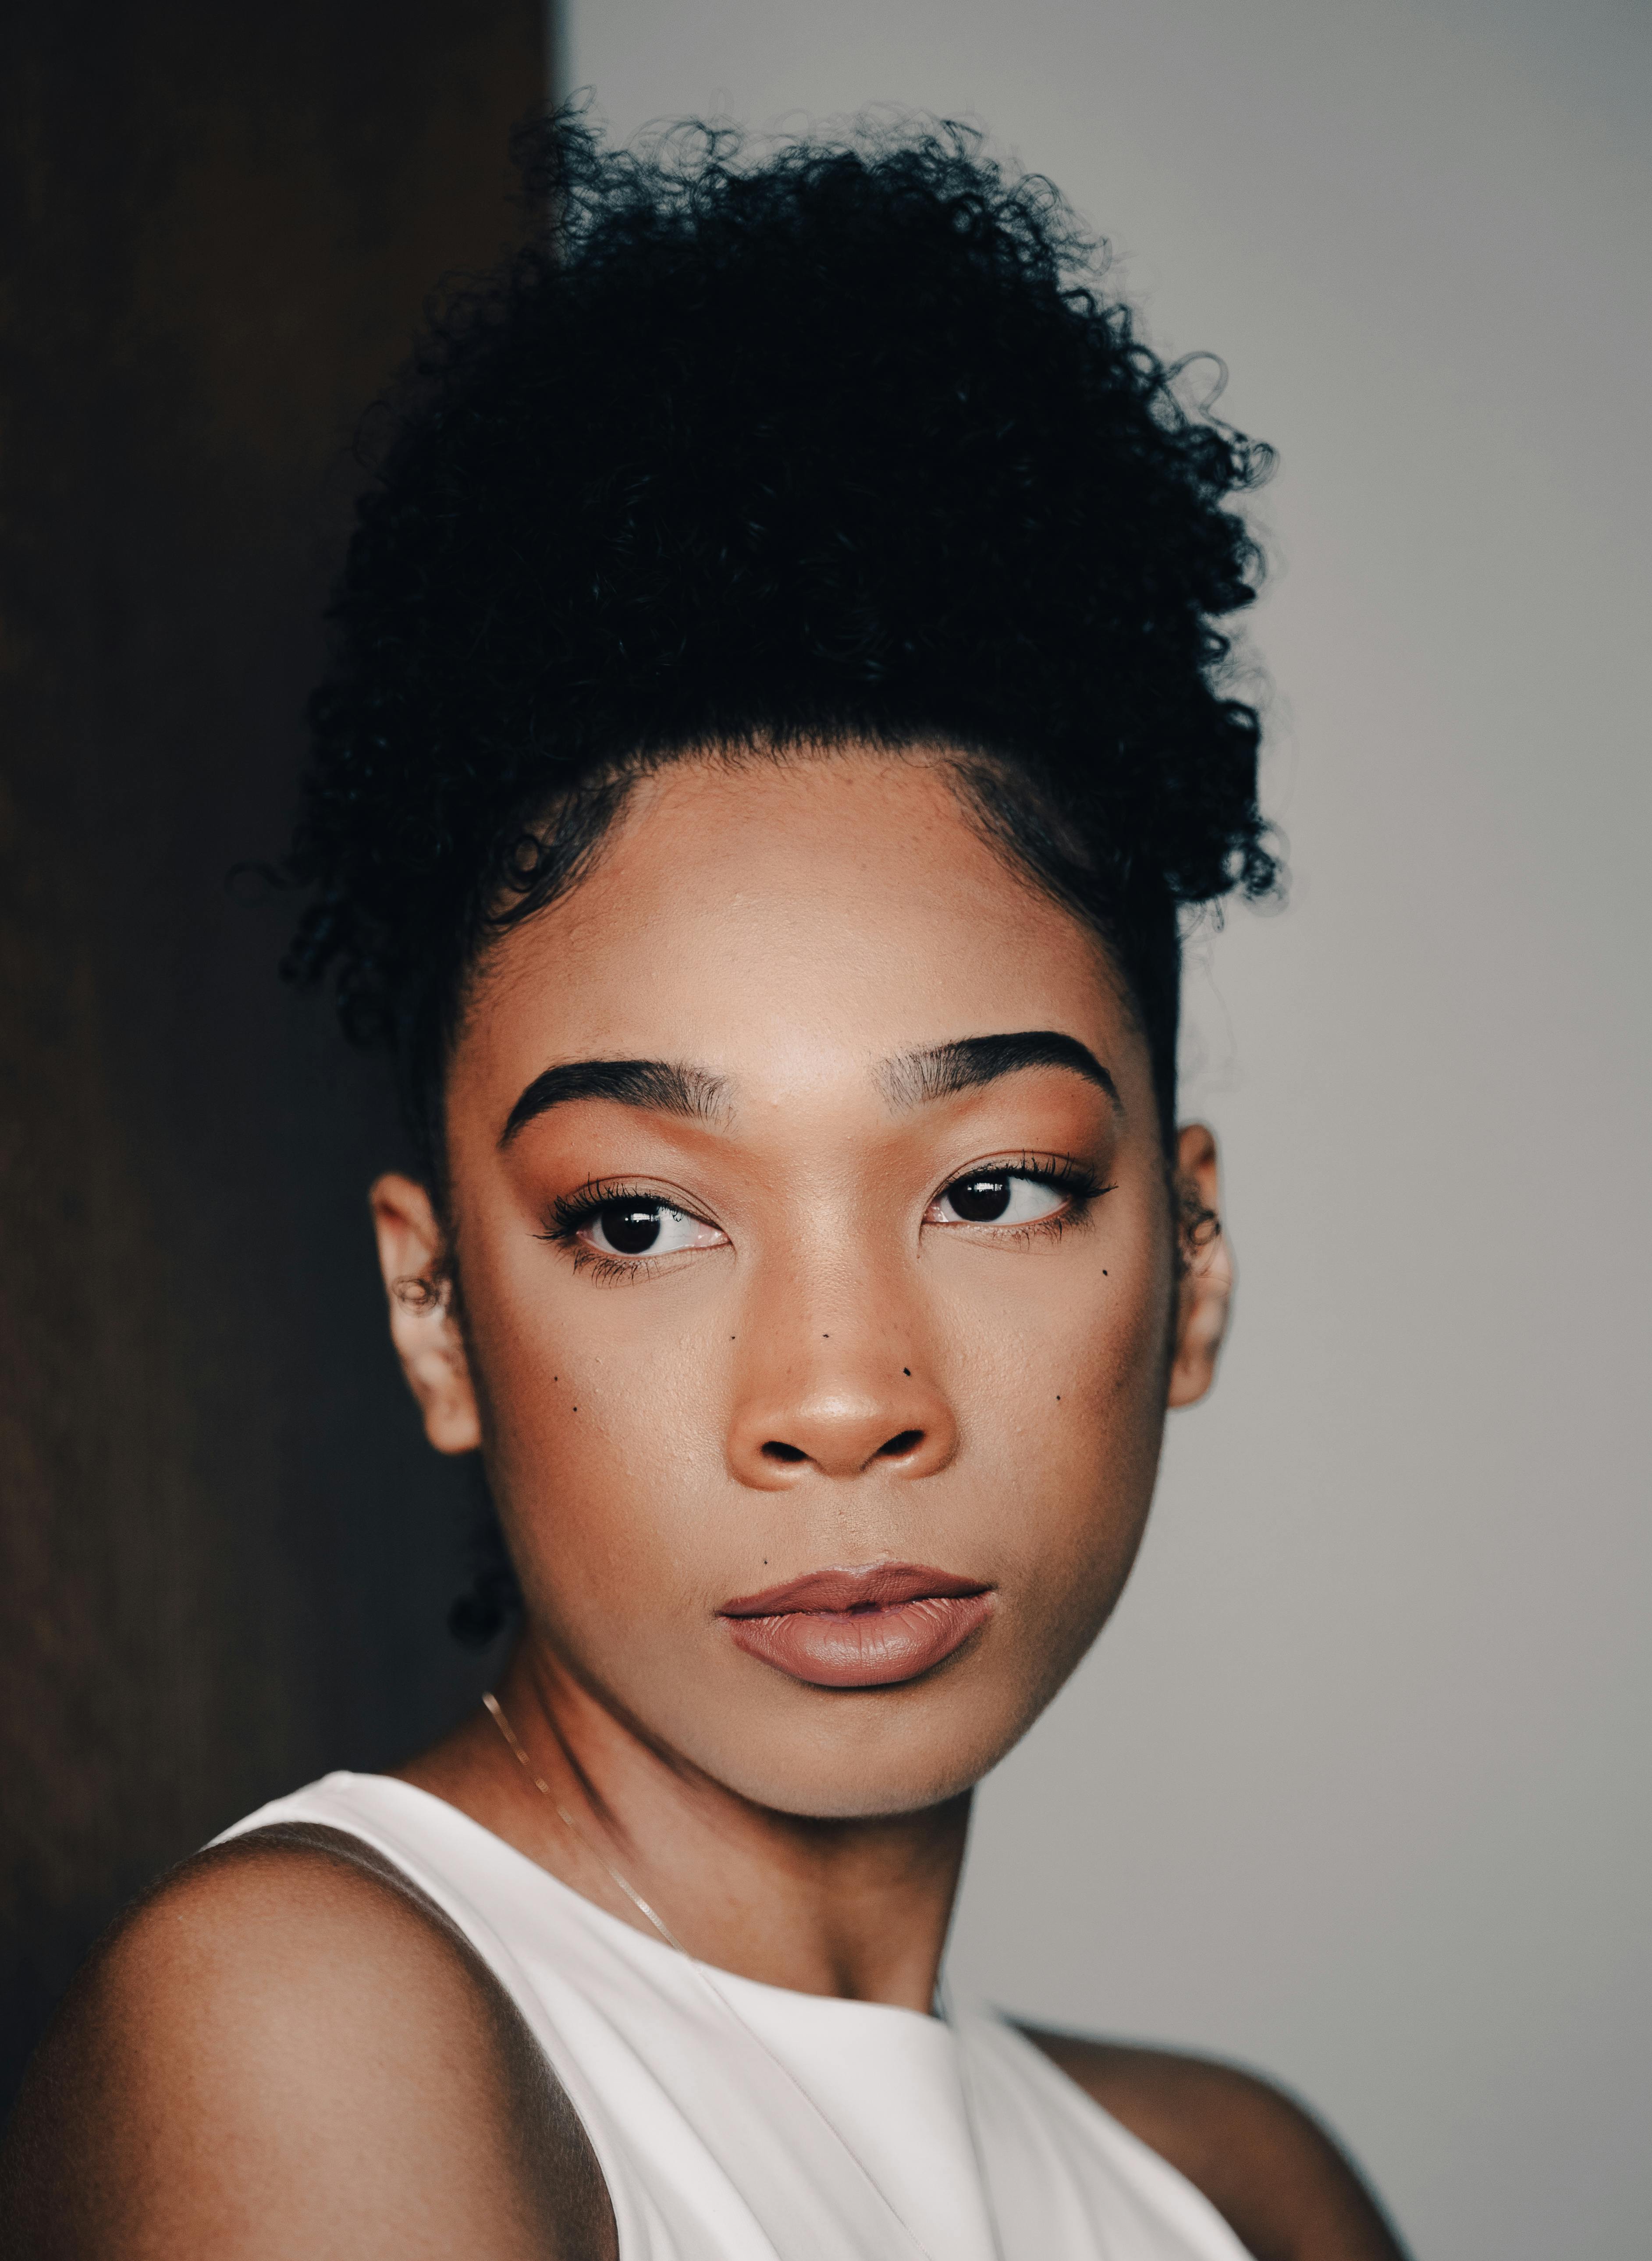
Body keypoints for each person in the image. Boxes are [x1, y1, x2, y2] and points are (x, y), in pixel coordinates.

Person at [0, 113, 1409, 2261]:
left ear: (1189, 1260)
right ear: (436, 1310)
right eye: (642, 1217)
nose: (842, 1395)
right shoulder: (296, 2027)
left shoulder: (1244, 2196)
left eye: (998, 1187)